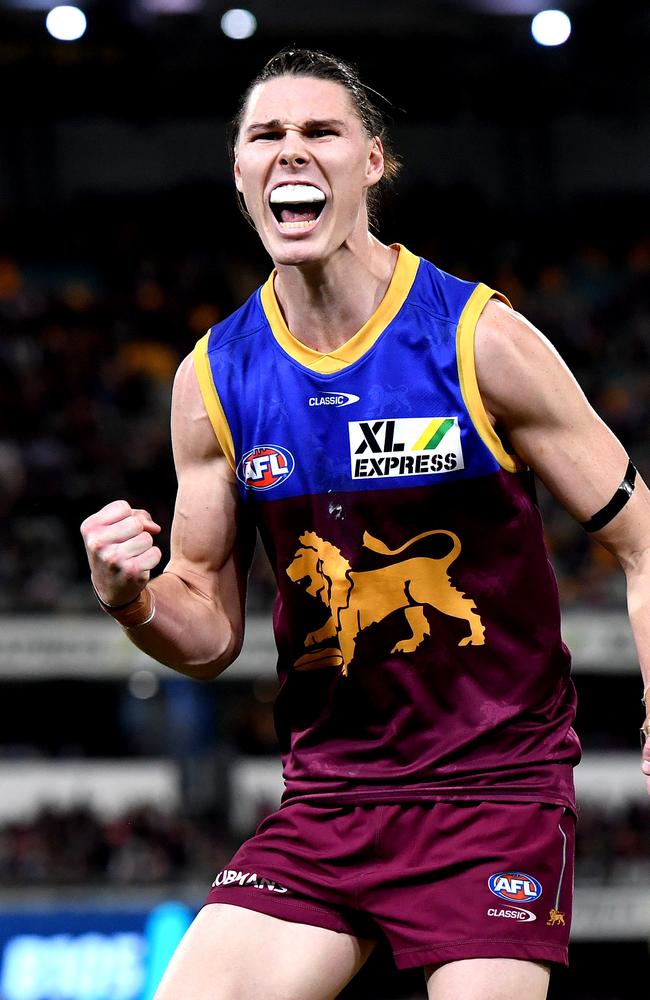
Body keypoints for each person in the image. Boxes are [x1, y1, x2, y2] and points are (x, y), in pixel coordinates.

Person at [81, 47, 650, 1000]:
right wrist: (129, 600)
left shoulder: (480, 341)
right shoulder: (214, 379)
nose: (290, 152)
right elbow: (210, 633)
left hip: (494, 795)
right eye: (266, 135)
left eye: (320, 132)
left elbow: (641, 541)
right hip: (330, 802)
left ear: (372, 163)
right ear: (239, 172)